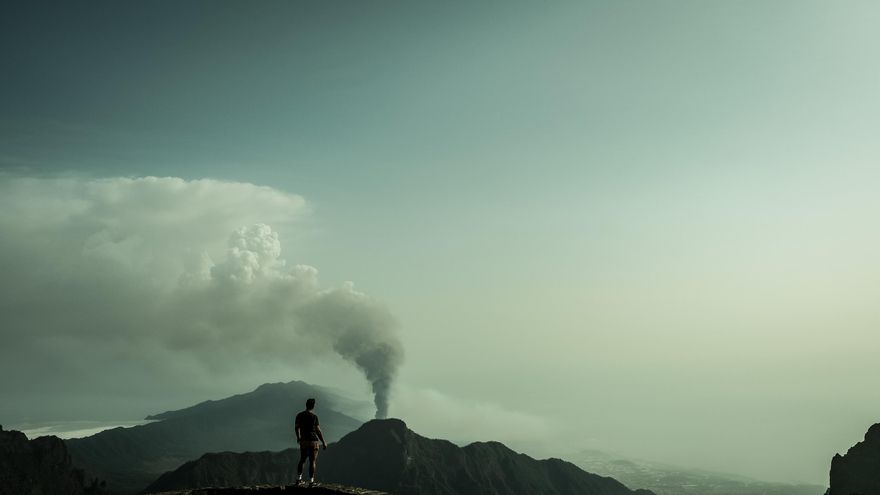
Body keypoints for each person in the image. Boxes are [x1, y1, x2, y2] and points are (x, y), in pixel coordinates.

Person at [295, 398, 327, 487]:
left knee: (302, 460)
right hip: (313, 441)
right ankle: (311, 482)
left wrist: (298, 437)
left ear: (306, 405)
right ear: (313, 406)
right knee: (312, 461)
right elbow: (318, 430)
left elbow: (296, 427)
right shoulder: (314, 417)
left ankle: (299, 479)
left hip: (303, 441)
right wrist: (323, 442)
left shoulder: (299, 415)